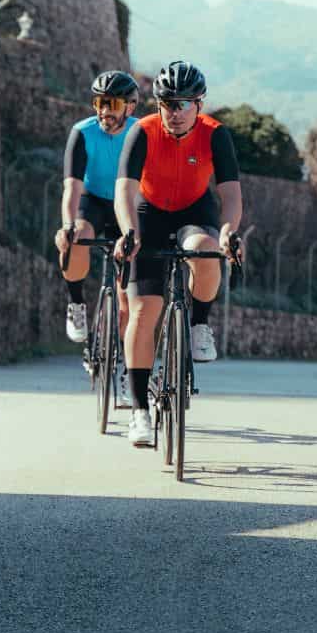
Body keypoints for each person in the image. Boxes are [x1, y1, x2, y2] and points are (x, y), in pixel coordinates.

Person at [113, 60, 243, 448]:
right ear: (158, 104)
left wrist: (228, 231)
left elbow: (231, 193)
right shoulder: (143, 132)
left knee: (204, 253)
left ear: (199, 104)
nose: (176, 112)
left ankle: (199, 323)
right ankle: (139, 411)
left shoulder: (216, 135)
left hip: (194, 212)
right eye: (169, 103)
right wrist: (128, 232)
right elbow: (125, 189)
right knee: (143, 310)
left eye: (185, 104)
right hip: (149, 215)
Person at [54, 70, 141, 346]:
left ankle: (126, 358)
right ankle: (77, 303)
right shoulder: (82, 132)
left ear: (131, 106)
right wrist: (67, 224)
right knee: (76, 235)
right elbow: (72, 187)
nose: (105, 111)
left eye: (113, 104)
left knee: (127, 292)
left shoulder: (141, 132)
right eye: (99, 103)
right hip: (91, 201)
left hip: (126, 204)